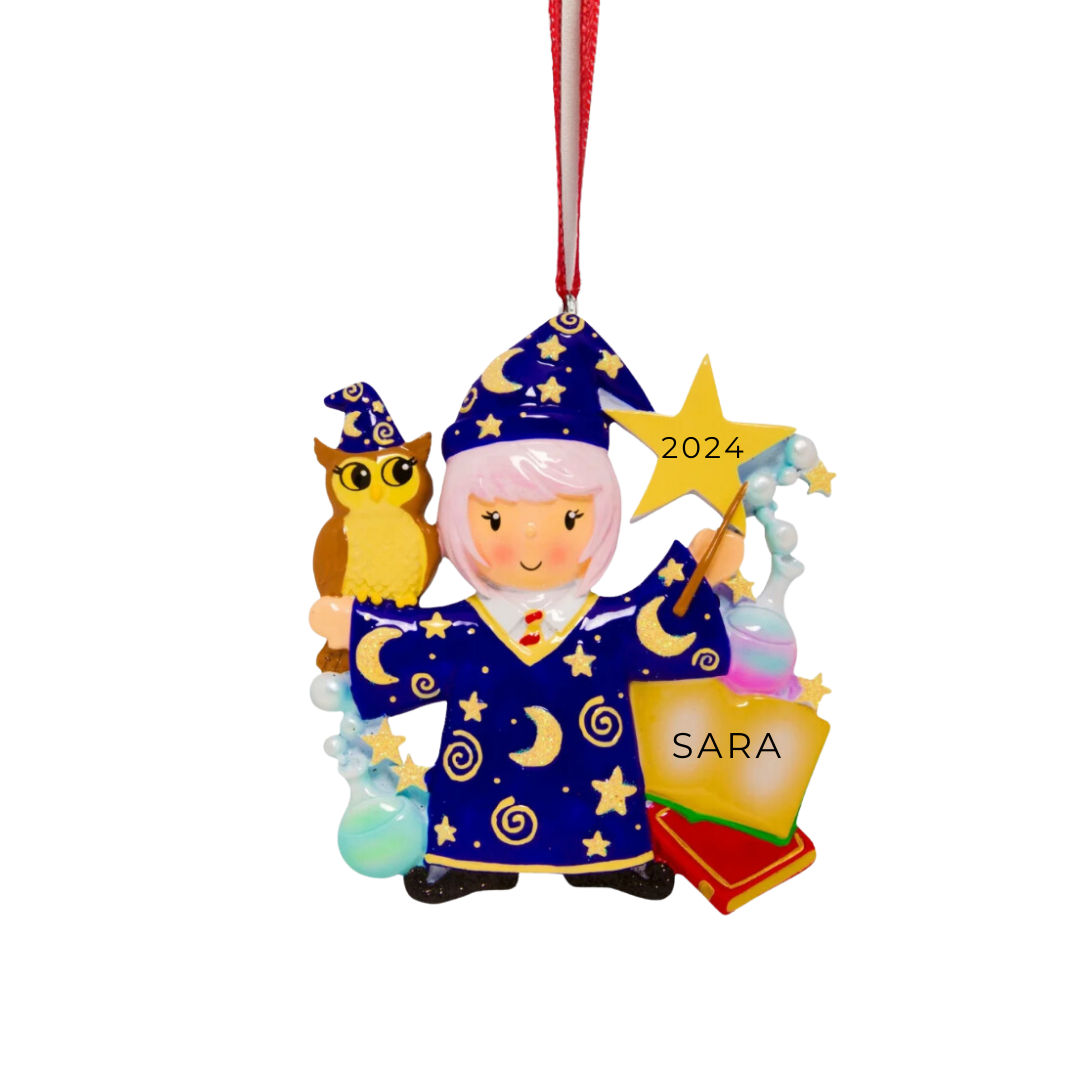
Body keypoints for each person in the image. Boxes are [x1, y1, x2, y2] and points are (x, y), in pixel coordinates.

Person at [310, 314, 742, 903]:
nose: (531, 540)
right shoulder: (468, 627)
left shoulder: (600, 625)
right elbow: (412, 642)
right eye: (494, 519)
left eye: (569, 517)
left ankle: (609, 860)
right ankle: (468, 860)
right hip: (476, 804)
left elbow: (655, 624)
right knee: (469, 797)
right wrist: (358, 627)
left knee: (604, 793)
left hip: (599, 800)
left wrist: (699, 576)